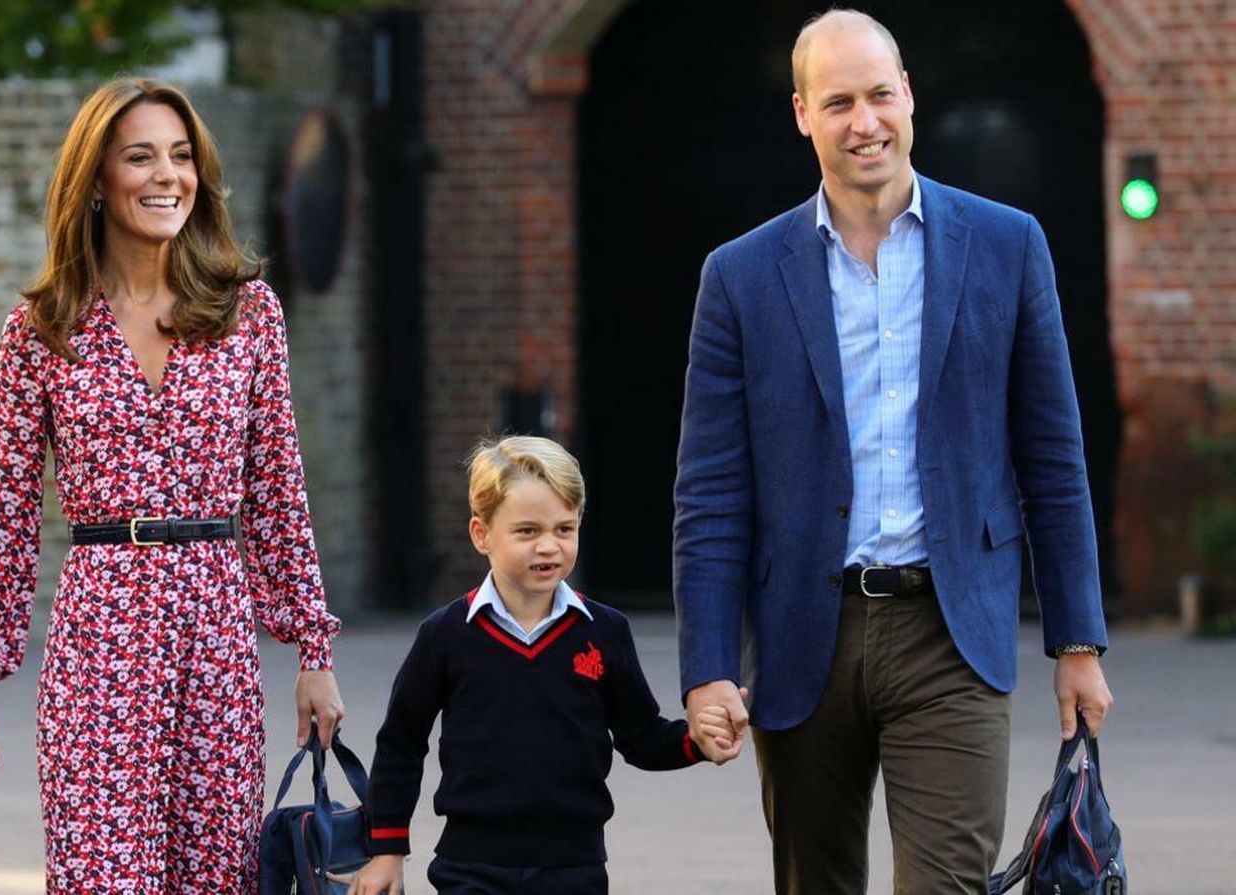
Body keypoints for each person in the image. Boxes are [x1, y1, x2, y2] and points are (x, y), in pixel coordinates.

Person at [672, 9, 1115, 892]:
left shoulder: (1007, 245)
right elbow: (711, 494)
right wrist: (709, 666)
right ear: (802, 113)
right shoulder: (741, 275)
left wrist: (1079, 640)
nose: (865, 121)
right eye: (839, 102)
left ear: (909, 94)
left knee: (945, 882)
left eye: (880, 94)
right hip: (805, 630)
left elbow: (1053, 458)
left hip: (951, 630)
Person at [0, 77, 346, 892]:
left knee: (217, 877)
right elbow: (7, 515)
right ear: (95, 180)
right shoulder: (44, 326)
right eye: (141, 157)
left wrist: (313, 648)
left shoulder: (249, 313)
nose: (168, 175)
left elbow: (276, 493)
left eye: (182, 156)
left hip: (216, 636)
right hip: (99, 636)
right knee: (99, 878)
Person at [351, 436, 730, 895]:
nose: (548, 546)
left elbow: (642, 737)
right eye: (527, 531)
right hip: (470, 865)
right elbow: (401, 743)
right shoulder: (445, 635)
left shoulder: (605, 632)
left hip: (574, 865)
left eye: (564, 529)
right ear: (481, 534)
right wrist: (387, 850)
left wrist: (696, 741)